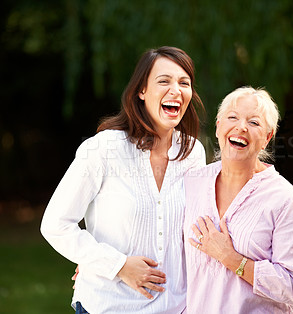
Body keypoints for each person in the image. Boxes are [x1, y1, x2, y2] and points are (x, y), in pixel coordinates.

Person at [40, 46, 206, 314]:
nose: (176, 90)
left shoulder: (193, 153)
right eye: (164, 81)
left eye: (184, 83)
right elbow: (55, 225)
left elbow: (197, 230)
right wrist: (115, 264)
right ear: (141, 91)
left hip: (178, 306)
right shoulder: (103, 149)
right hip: (109, 305)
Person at [183, 86, 293, 313]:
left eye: (254, 122)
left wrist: (230, 258)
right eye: (232, 117)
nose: (241, 127)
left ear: (267, 138)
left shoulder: (283, 198)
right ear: (219, 127)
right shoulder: (192, 183)